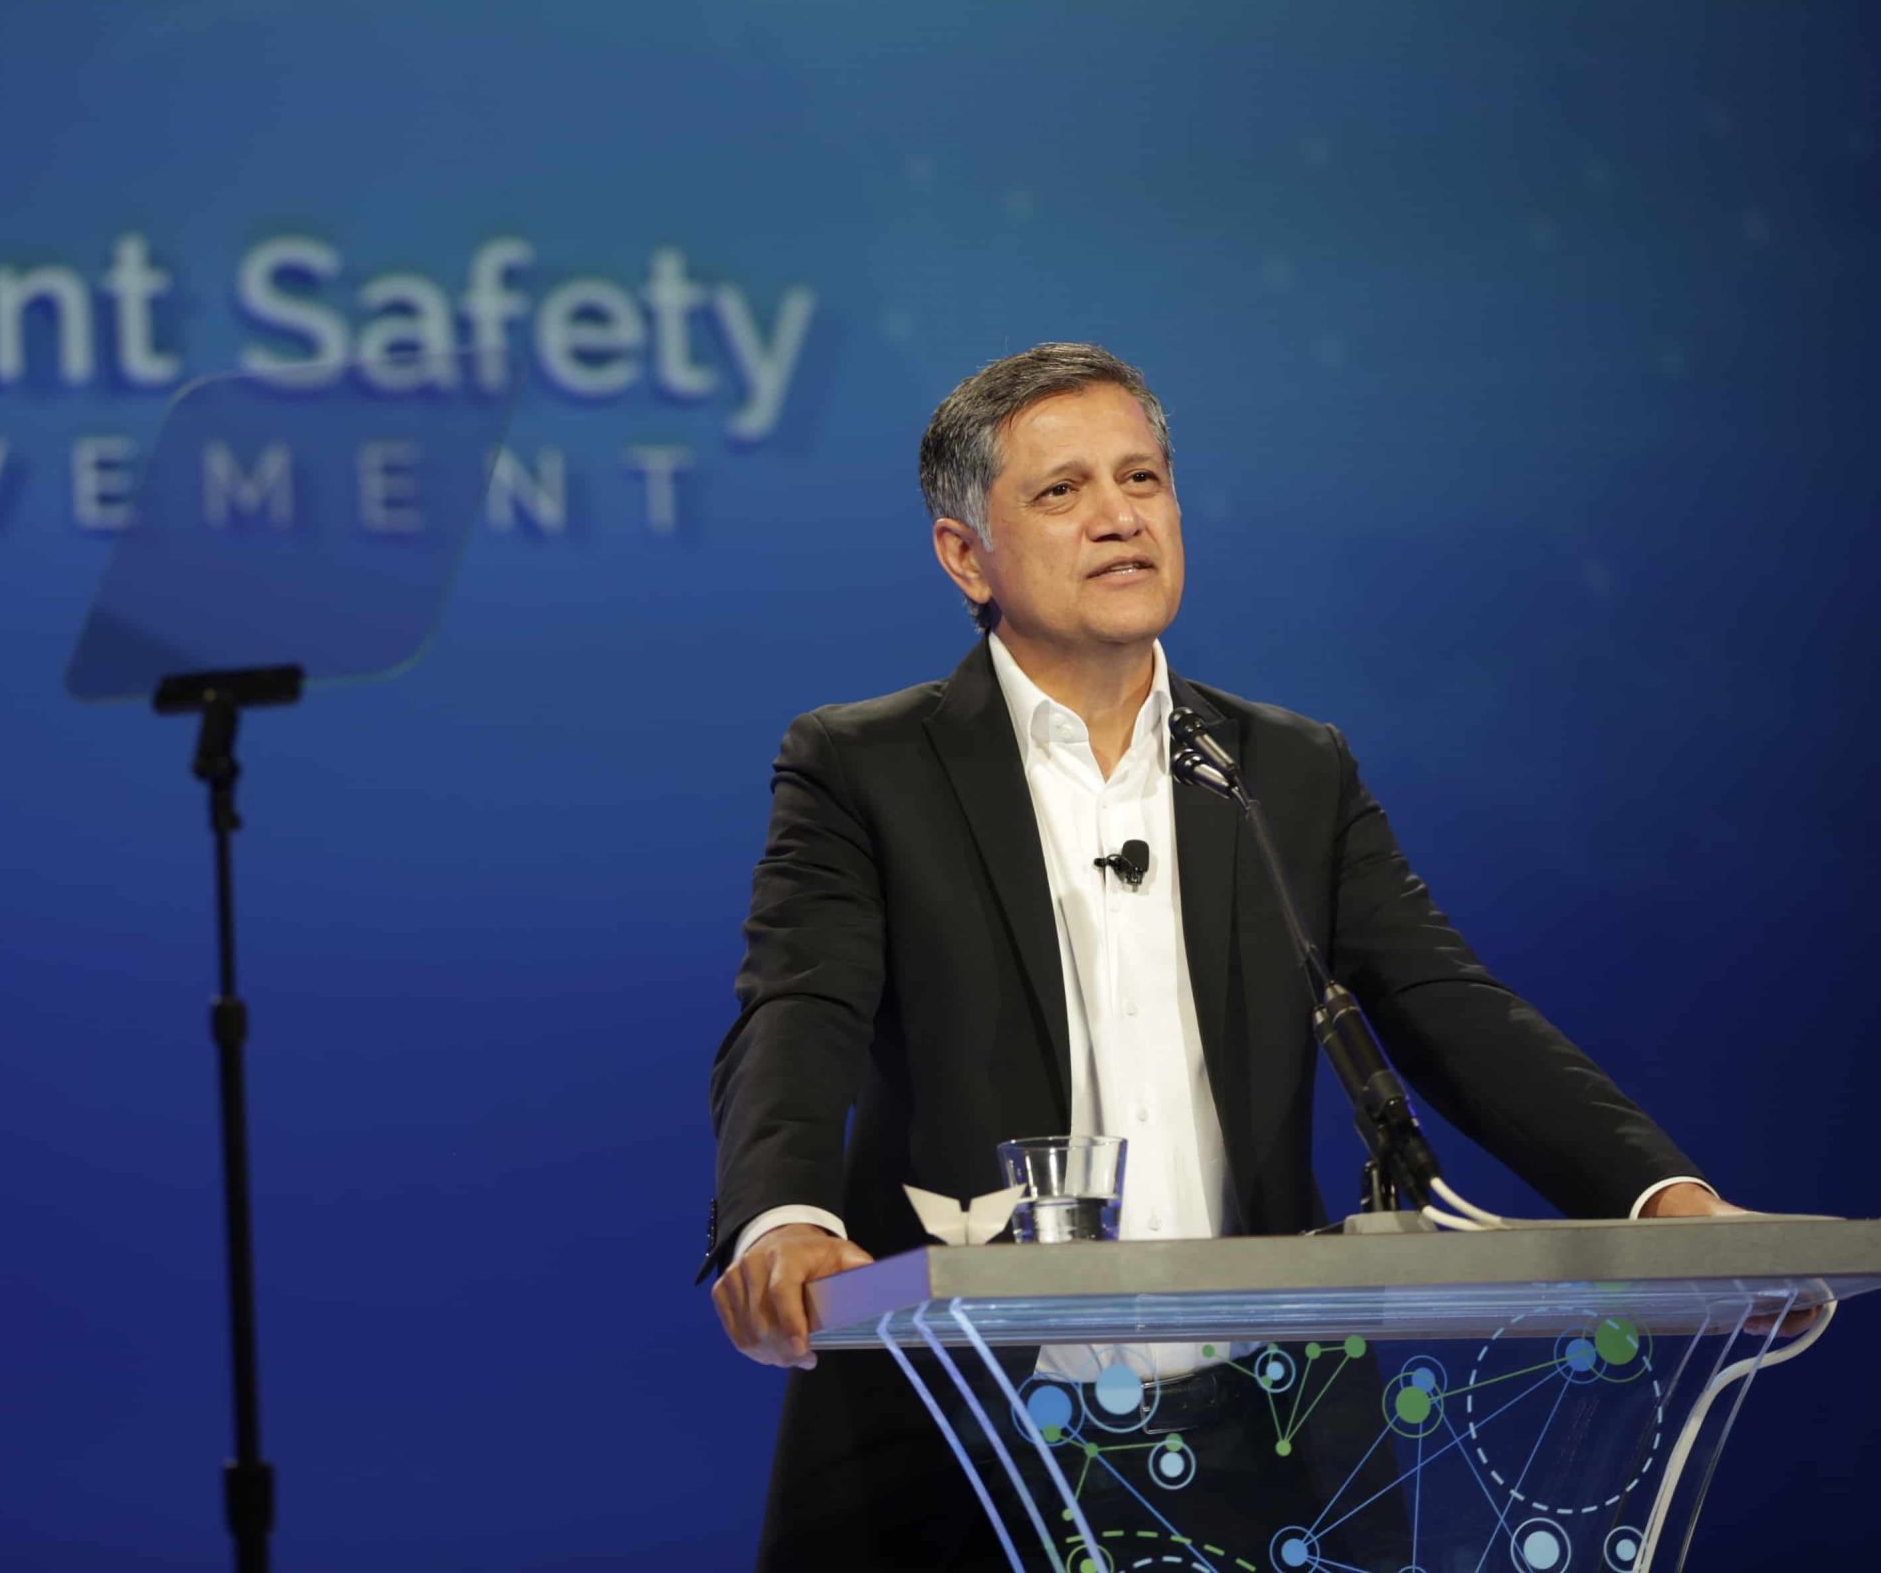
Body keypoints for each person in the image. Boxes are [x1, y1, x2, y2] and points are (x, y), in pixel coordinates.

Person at [702, 343, 1745, 1571]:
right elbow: (799, 1008)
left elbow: (1442, 1002)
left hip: (1271, 1446)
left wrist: (1665, 1200)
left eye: (1141, 478)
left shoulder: (1284, 770)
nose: (1117, 516)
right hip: (968, 1441)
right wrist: (781, 1220)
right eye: (1061, 491)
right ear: (964, 554)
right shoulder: (865, 766)